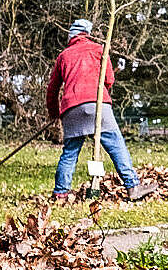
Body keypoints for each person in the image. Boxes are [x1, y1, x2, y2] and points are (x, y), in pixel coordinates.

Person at [46, 19, 155, 201]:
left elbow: (52, 90)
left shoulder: (63, 56)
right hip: (98, 104)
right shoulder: (99, 50)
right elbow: (109, 80)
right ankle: (133, 187)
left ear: (72, 36)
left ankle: (60, 194)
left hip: (71, 108)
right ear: (87, 34)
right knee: (116, 145)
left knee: (70, 152)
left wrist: (54, 114)